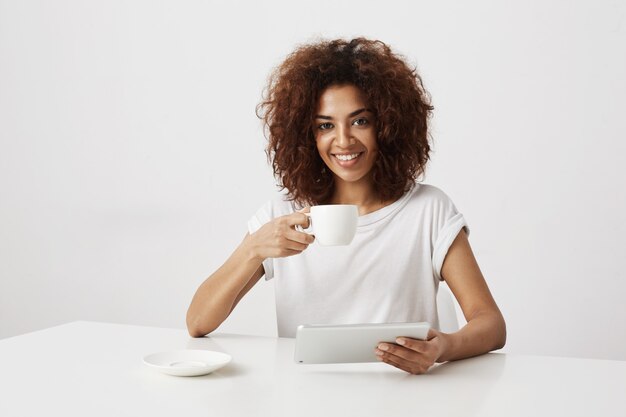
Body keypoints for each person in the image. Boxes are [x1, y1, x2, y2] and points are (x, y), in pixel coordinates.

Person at [187, 38, 506, 375]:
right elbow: (197, 322)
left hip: (407, 398)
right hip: (306, 398)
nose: (343, 140)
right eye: (325, 125)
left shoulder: (428, 209)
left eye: (359, 121)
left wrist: (443, 346)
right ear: (306, 135)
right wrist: (252, 249)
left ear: (387, 124)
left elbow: (491, 324)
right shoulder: (283, 216)